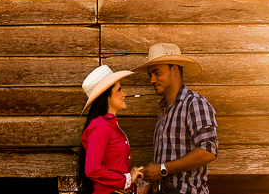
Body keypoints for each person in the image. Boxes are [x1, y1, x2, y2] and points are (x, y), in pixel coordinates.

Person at [134, 43, 218, 194]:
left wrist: (163, 169)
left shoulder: (194, 103)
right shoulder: (163, 111)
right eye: (150, 75)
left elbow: (208, 150)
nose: (152, 80)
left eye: (157, 73)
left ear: (174, 71)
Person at [78, 64, 145, 194]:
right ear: (107, 98)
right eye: (119, 90)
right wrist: (127, 179)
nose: (124, 94)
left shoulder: (110, 125)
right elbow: (92, 169)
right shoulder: (100, 125)